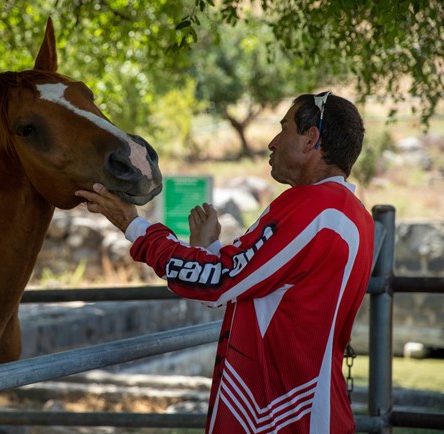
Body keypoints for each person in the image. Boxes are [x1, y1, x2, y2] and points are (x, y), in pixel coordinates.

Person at [75, 91, 374, 433]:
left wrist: (134, 225)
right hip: (306, 410)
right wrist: (212, 248)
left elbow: (219, 281)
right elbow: (258, 286)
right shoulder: (351, 214)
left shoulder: (313, 209)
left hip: (283, 417)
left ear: (311, 139)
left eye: (284, 128)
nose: (272, 143)